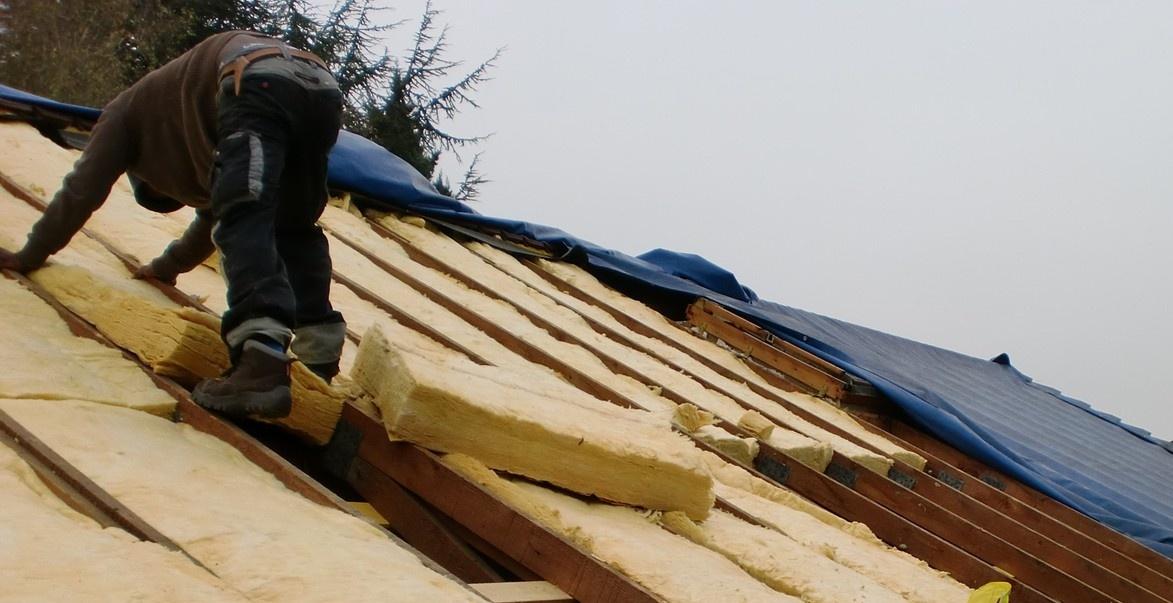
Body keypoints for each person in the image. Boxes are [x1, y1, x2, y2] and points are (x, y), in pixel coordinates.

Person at [0, 31, 347, 419]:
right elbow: (211, 220)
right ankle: (319, 356)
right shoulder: (189, 127)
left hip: (254, 79)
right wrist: (166, 269)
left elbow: (82, 189)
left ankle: (261, 360)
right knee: (293, 221)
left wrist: (30, 253)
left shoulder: (123, 115)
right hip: (320, 91)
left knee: (245, 211)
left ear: (151, 176)